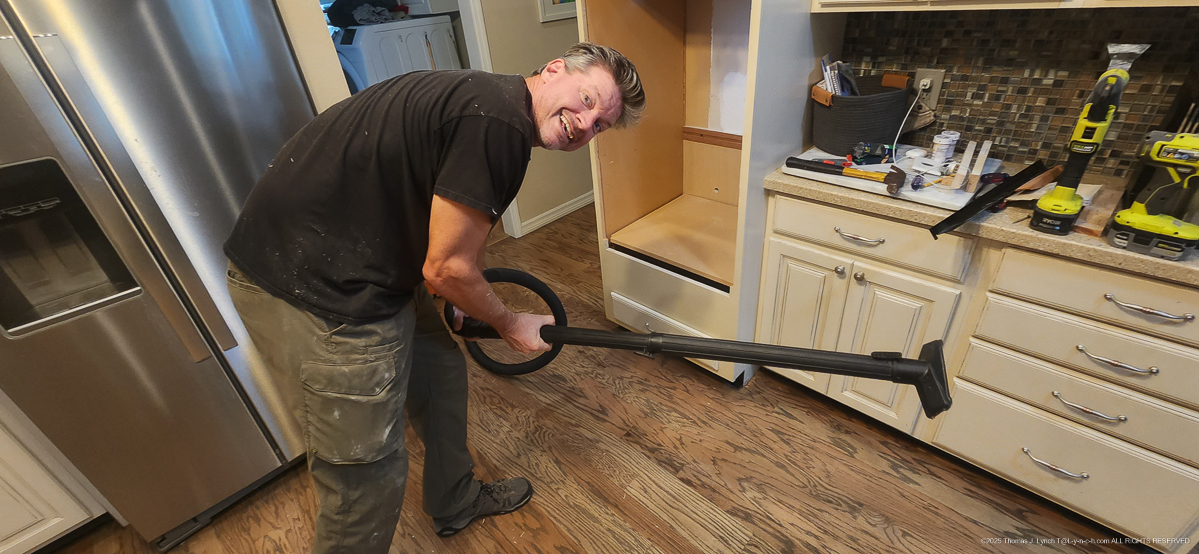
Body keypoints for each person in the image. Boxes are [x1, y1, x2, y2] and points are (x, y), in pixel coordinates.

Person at [223, 42, 644, 553]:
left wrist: (467, 292)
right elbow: (445, 268)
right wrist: (510, 323)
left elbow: (461, 231)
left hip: (362, 263)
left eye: (600, 123)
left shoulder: (492, 105)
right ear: (554, 69)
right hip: (313, 286)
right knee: (366, 476)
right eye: (586, 99)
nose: (586, 122)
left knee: (441, 375)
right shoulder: (499, 126)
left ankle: (455, 498)